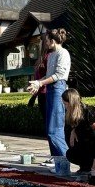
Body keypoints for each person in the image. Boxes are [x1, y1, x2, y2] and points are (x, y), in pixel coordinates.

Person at [29, 28, 71, 165]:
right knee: (50, 128)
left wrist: (40, 82)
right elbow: (49, 75)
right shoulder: (52, 55)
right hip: (51, 90)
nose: (45, 43)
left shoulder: (63, 53)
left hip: (58, 89)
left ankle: (65, 159)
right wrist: (37, 83)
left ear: (52, 41)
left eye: (47, 40)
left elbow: (59, 75)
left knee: (55, 129)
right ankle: (57, 160)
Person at [62, 88, 95, 184]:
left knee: (90, 142)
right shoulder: (75, 115)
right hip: (90, 150)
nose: (65, 107)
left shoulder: (88, 116)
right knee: (70, 153)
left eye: (65, 104)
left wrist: (94, 170)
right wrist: (73, 130)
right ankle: (85, 167)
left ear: (71, 103)